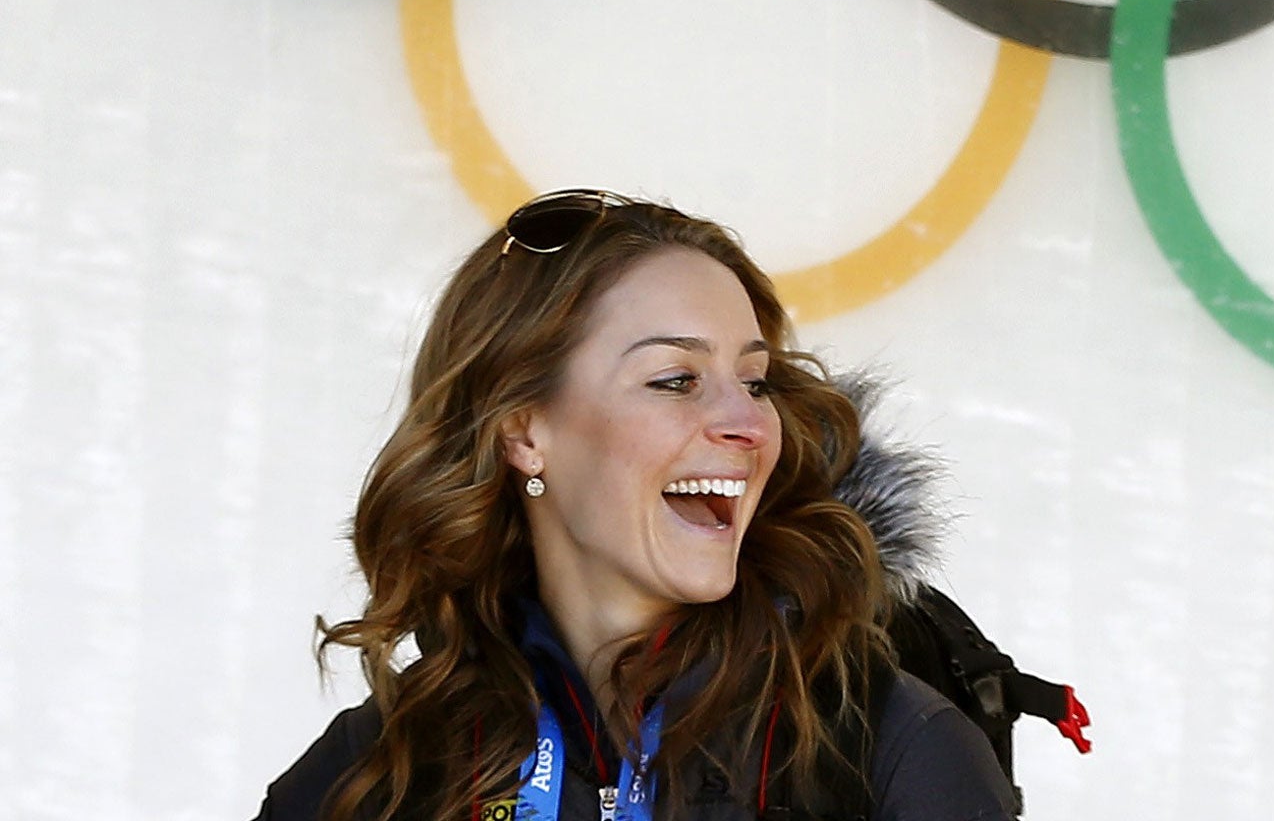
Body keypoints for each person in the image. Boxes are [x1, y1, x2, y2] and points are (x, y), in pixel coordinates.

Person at [254, 189, 1016, 821]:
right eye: (675, 381)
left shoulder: (889, 747)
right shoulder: (383, 768)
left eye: (754, 382)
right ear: (523, 429)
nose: (749, 424)